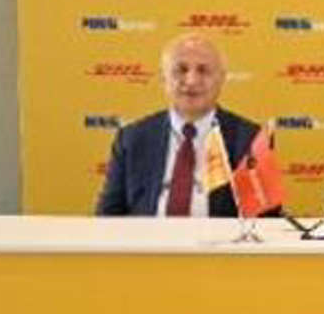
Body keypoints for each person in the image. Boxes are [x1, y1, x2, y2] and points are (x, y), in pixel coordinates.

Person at [96, 34, 265, 216]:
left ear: (221, 79)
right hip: (148, 235)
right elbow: (108, 216)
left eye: (203, 70)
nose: (191, 81)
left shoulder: (250, 140)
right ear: (164, 79)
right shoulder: (133, 139)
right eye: (181, 70)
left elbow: (265, 219)